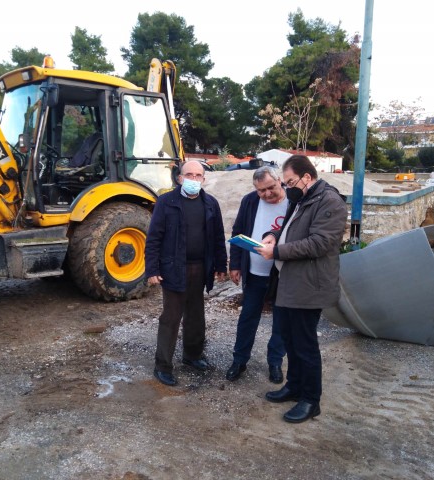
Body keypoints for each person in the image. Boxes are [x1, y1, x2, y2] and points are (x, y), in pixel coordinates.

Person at [256, 154, 347, 424]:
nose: (287, 188)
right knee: (290, 339)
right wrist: (272, 236)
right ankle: (294, 386)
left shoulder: (329, 201)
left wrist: (277, 252)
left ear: (307, 177)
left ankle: (310, 399)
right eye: (285, 183)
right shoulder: (302, 198)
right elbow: (288, 229)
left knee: (305, 344)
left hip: (309, 285)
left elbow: (319, 243)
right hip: (289, 282)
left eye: (290, 182)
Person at [145, 160, 228, 386]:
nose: (193, 179)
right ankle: (162, 366)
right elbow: (154, 238)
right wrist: (152, 269)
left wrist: (221, 265)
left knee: (196, 315)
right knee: (171, 317)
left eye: (198, 175)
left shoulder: (210, 203)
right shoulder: (166, 202)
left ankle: (192, 355)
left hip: (200, 268)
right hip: (173, 268)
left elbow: (218, 237)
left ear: (204, 179)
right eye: (188, 175)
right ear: (179, 178)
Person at [226, 166, 288, 384]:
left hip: (282, 274)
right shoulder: (250, 201)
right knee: (247, 318)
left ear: (280, 181)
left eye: (271, 187)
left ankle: (275, 362)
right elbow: (238, 232)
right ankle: (239, 360)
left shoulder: (294, 202)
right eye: (261, 190)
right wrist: (235, 264)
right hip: (254, 273)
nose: (267, 194)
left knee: (281, 320)